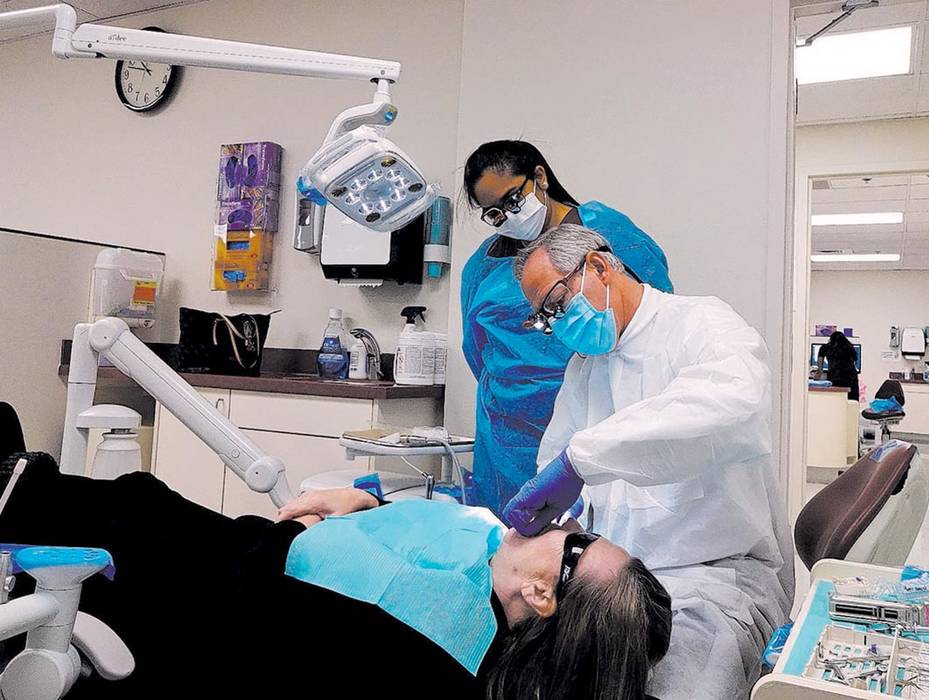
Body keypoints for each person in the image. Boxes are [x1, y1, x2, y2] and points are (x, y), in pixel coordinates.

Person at [0, 451, 671, 700]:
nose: (562, 524)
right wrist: (368, 507)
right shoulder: (495, 569)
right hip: (253, 553)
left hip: (206, 576)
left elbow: (257, 604)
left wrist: (304, 534)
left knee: (136, 503)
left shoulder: (422, 637)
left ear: (544, 593)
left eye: (576, 541)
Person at [502, 225, 794, 700]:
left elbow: (731, 401)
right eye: (544, 319)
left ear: (598, 266)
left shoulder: (700, 325)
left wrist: (580, 463)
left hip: (713, 578)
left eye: (556, 305)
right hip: (615, 586)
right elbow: (555, 461)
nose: (555, 326)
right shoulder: (585, 367)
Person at [461, 140, 673, 515]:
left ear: (539, 177)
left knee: (595, 535)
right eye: (495, 214)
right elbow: (475, 351)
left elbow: (652, 319)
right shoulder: (482, 267)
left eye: (513, 201)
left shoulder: (610, 236)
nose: (509, 218)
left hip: (599, 412)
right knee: (516, 539)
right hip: (509, 438)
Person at [817, 331, 859, 401]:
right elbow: (854, 360)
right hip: (851, 376)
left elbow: (820, 362)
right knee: (851, 399)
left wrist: (819, 372)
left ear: (831, 339)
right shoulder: (850, 347)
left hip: (835, 375)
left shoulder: (825, 347)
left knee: (836, 398)